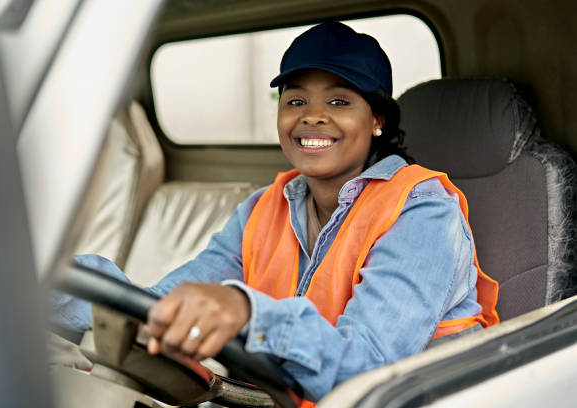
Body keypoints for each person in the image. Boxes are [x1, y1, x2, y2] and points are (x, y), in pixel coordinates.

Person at [53, 21, 499, 402]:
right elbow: (161, 306)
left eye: (339, 101)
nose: (312, 117)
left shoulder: (421, 213)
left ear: (377, 119)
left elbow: (370, 371)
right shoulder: (264, 208)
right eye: (296, 100)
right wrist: (46, 284)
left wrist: (248, 312)